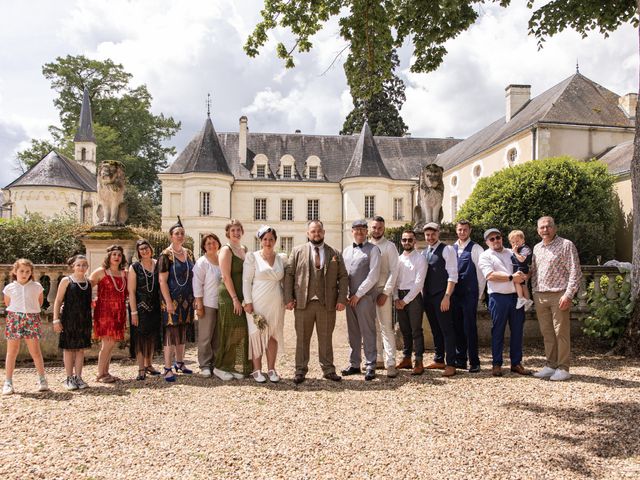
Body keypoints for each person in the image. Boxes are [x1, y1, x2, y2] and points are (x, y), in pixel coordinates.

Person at [284, 220, 348, 385]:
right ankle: (300, 370)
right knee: (302, 339)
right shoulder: (297, 251)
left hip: (326, 303)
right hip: (303, 303)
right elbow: (289, 275)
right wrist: (288, 298)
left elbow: (343, 276)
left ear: (324, 232)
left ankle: (328, 370)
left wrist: (341, 299)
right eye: (313, 231)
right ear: (307, 233)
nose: (316, 234)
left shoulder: (334, 252)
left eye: (319, 231)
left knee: (326, 338)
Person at [530, 216, 581, 382]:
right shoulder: (537, 248)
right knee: (547, 333)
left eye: (548, 226)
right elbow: (535, 271)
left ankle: (563, 368)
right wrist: (533, 291)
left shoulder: (566, 245)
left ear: (555, 228)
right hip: (540, 295)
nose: (545, 229)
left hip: (559, 294)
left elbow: (575, 271)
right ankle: (551, 365)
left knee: (561, 333)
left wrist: (568, 294)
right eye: (542, 227)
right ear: (538, 230)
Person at [478, 228, 530, 377]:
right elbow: (490, 275)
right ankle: (496, 364)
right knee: (498, 331)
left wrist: (525, 274)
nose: (495, 240)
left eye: (498, 237)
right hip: (497, 297)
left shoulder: (511, 251)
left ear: (502, 238)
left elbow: (524, 264)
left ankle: (516, 363)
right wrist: (511, 277)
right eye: (491, 239)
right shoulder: (485, 256)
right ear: (487, 242)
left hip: (515, 296)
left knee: (518, 331)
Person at [242, 226, 286, 383]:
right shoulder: (252, 257)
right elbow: (246, 281)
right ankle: (256, 369)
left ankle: (272, 368)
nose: (268, 242)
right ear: (260, 240)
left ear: (275, 241)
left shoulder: (281, 258)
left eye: (271, 239)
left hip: (276, 301)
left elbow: (284, 281)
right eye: (265, 239)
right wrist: (248, 302)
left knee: (272, 335)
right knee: (257, 335)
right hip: (257, 300)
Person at [342, 219, 381, 381]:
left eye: (362, 229)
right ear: (352, 232)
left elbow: (373, 275)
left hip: (364, 297)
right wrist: (344, 294)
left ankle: (371, 364)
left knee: (368, 330)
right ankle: (354, 363)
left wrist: (358, 294)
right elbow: (343, 275)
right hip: (349, 298)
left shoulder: (374, 250)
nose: (359, 232)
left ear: (367, 232)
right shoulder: (346, 251)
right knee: (353, 332)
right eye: (356, 229)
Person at [2, 259, 48, 395]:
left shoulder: (37, 286)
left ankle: (42, 379)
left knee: (35, 351)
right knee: (12, 351)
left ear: (31, 273)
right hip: (14, 319)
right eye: (21, 271)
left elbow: (39, 302)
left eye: (28, 271)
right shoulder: (9, 288)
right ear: (15, 272)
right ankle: (8, 382)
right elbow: (7, 303)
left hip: (32, 319)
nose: (24, 274)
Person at [158, 217, 195, 382]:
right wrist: (167, 301)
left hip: (187, 298)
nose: (180, 236)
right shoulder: (166, 255)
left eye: (182, 233)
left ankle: (179, 363)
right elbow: (162, 280)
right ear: (171, 236)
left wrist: (195, 297)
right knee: (170, 333)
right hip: (171, 299)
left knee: (182, 331)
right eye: (177, 233)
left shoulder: (189, 253)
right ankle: (167, 367)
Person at [214, 219, 251, 381]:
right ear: (228, 233)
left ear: (242, 232)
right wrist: (235, 299)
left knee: (241, 331)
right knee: (229, 329)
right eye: (233, 230)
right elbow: (226, 276)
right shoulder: (225, 250)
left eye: (238, 230)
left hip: (242, 295)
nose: (236, 233)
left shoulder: (244, 249)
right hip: (229, 296)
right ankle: (220, 367)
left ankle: (236, 365)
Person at [422, 223, 458, 377]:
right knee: (435, 329)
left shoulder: (447, 249)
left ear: (438, 233)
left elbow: (453, 275)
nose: (430, 238)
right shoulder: (424, 252)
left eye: (433, 234)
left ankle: (451, 363)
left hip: (442, 296)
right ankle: (439, 359)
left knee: (447, 330)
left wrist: (447, 296)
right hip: (428, 297)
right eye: (427, 235)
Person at [53, 255, 92, 390]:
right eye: (79, 264)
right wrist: (56, 319)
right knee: (69, 348)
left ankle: (78, 377)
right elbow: (58, 301)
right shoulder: (66, 280)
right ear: (73, 266)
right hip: (69, 319)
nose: (81, 267)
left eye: (84, 264)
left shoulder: (88, 282)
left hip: (84, 320)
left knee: (80, 349)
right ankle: (69, 377)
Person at [90, 245, 128, 383]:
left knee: (111, 344)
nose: (117, 257)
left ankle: (106, 372)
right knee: (107, 342)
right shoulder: (101, 272)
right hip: (105, 311)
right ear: (109, 257)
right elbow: (86, 287)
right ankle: (100, 374)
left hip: (119, 311)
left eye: (119, 255)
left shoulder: (124, 274)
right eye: (114, 254)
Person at [451, 220, 486, 373]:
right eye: (460, 230)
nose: (462, 232)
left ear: (470, 231)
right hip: (454, 294)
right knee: (457, 327)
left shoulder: (476, 248)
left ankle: (474, 361)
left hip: (469, 293)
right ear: (456, 231)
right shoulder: (451, 248)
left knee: (470, 328)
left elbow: (482, 273)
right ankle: (460, 360)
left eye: (465, 230)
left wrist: (479, 293)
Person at [394, 231, 428, 375]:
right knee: (405, 330)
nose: (407, 242)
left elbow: (419, 283)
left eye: (410, 240)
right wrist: (396, 298)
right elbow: (394, 281)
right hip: (399, 296)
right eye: (404, 240)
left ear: (415, 241)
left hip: (413, 297)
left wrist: (405, 300)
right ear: (401, 242)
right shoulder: (398, 259)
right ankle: (406, 358)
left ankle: (419, 361)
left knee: (416, 331)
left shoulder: (420, 259)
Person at [369, 216, 399, 377]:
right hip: (368, 292)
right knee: (371, 328)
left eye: (380, 228)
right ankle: (378, 358)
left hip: (382, 290)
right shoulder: (366, 246)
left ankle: (391, 362)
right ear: (370, 228)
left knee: (386, 327)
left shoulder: (390, 247)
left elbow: (394, 271)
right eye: (374, 227)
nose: (377, 230)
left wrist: (386, 293)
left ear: (384, 229)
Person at [127, 239, 162, 381]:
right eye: (141, 249)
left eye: (146, 248)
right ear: (138, 252)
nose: (144, 251)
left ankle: (149, 364)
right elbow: (131, 291)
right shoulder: (134, 267)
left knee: (152, 337)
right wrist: (134, 312)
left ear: (151, 249)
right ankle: (141, 368)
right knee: (140, 338)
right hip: (140, 308)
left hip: (155, 306)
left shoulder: (158, 264)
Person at [192, 233, 222, 378]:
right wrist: (199, 304)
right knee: (205, 336)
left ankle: (216, 363)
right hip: (207, 303)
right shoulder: (202, 262)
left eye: (214, 242)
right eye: (208, 243)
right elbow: (197, 283)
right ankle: (204, 364)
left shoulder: (222, 259)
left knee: (218, 336)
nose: (211, 245)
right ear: (204, 246)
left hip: (221, 304)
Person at [508, 230, 534, 311]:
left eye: (517, 241)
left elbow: (522, 260)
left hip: (522, 269)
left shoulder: (525, 249)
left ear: (523, 240)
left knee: (516, 282)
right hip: (520, 269)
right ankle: (527, 301)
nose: (515, 244)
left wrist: (515, 252)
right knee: (523, 286)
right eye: (513, 242)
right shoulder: (518, 249)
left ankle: (521, 298)